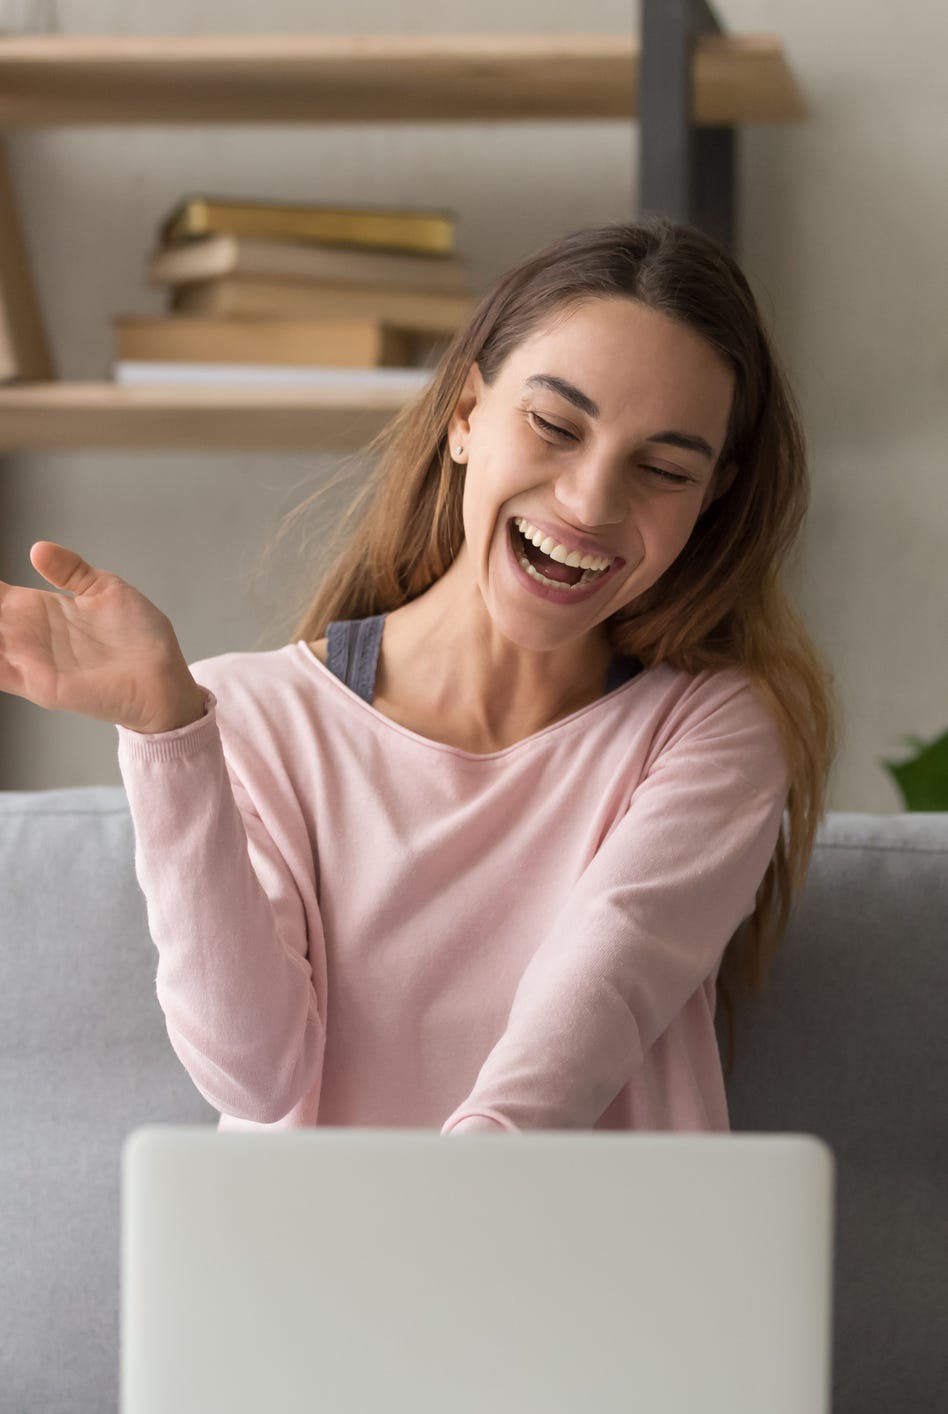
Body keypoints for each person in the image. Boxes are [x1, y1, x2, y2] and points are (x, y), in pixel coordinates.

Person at [0, 218, 835, 1135]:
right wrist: (169, 734)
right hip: (326, 1271)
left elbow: (590, 1012)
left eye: (665, 468)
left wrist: (436, 1227)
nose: (592, 502)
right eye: (555, 425)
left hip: (597, 1267)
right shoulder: (248, 716)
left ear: (712, 497)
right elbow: (255, 1076)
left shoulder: (714, 729)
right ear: (466, 415)